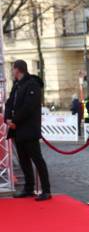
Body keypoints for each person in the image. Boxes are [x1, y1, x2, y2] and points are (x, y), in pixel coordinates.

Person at [5, 59, 52, 200]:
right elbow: (9, 103)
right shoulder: (17, 85)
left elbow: (28, 106)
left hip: (29, 129)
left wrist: (14, 120)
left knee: (37, 159)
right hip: (17, 129)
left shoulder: (32, 84)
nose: (12, 72)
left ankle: (46, 190)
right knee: (23, 160)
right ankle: (29, 187)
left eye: (13, 69)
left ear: (18, 69)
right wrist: (7, 118)